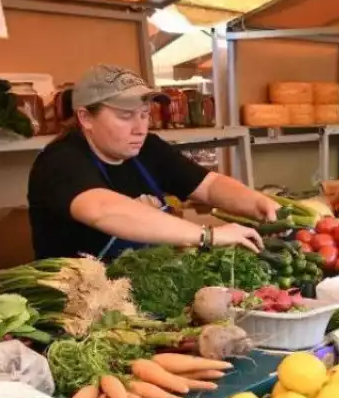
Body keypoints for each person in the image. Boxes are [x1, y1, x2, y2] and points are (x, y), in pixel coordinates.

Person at [28, 65, 276, 260]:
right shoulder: (60, 161)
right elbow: (102, 210)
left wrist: (257, 203)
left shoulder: (148, 148)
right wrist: (207, 235)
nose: (140, 128)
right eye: (125, 116)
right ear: (85, 118)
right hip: (80, 306)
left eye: (145, 114)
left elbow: (209, 186)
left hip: (145, 290)